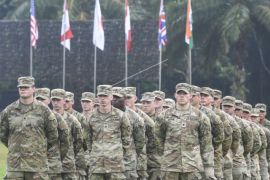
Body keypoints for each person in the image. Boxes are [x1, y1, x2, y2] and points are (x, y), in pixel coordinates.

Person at [0, 76, 59, 180]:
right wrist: (15, 146)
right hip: (15, 165)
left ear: (33, 89)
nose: (23, 89)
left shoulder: (44, 110)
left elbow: (53, 135)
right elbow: (2, 134)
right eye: (21, 87)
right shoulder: (9, 111)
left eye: (26, 87)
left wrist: (38, 148)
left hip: (37, 166)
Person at [156, 83, 215, 180]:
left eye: (185, 94)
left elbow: (206, 144)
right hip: (170, 166)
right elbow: (158, 138)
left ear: (190, 96)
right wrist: (167, 154)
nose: (182, 96)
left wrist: (209, 166)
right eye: (179, 93)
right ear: (175, 95)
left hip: (192, 166)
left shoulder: (200, 117)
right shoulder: (164, 116)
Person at [85, 85, 132, 180]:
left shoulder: (120, 116)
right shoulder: (91, 117)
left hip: (115, 164)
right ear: (97, 98)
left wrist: (120, 155)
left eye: (105, 96)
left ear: (111, 97)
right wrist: (92, 154)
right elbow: (87, 139)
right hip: (96, 164)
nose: (103, 99)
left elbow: (126, 139)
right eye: (100, 96)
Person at [35, 87, 70, 180]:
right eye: (37, 99)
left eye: (42, 99)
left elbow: (65, 141)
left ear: (48, 101)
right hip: (34, 165)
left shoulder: (56, 118)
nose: (40, 101)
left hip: (52, 165)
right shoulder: (29, 117)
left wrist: (56, 156)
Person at [112, 87, 145, 180]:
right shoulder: (104, 114)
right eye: (113, 98)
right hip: (108, 162)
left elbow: (140, 140)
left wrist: (131, 153)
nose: (115, 101)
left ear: (124, 99)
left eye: (118, 98)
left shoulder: (134, 117)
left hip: (127, 162)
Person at [124, 87, 155, 180]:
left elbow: (153, 133)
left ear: (135, 98)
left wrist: (144, 149)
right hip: (122, 160)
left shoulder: (141, 116)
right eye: (124, 98)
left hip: (139, 159)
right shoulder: (120, 114)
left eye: (129, 97)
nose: (126, 100)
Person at [51, 89, 83, 180]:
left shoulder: (72, 120)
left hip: (68, 164)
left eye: (58, 100)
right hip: (51, 164)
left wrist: (70, 153)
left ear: (64, 101)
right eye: (54, 100)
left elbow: (79, 140)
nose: (56, 103)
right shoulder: (46, 118)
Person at [200, 87, 224, 179]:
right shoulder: (196, 112)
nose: (202, 98)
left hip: (215, 156)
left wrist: (211, 145)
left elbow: (223, 137)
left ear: (212, 99)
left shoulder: (219, 114)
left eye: (205, 96)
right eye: (201, 95)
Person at [141, 92, 162, 180]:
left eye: (148, 103)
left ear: (155, 104)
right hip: (140, 164)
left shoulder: (161, 118)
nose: (145, 105)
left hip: (155, 162)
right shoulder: (137, 118)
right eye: (143, 103)